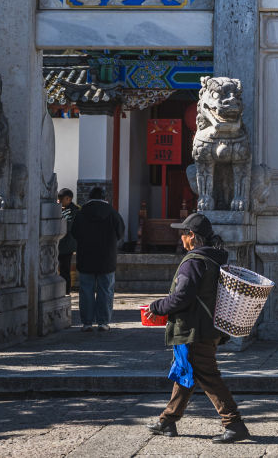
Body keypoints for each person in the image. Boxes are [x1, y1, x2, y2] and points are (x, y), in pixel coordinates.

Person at [145, 213, 249, 444]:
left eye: (183, 233)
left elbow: (181, 297)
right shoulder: (214, 259)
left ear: (191, 235)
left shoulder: (193, 262)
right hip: (207, 327)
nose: (180, 238)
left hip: (194, 329)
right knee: (186, 371)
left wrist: (157, 306)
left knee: (207, 375)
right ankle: (168, 420)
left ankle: (234, 423)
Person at [71, 186, 125, 332]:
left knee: (86, 290)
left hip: (85, 257)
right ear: (104, 198)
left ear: (89, 197)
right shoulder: (112, 213)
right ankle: (103, 322)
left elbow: (74, 232)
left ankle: (87, 323)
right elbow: (120, 232)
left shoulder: (82, 213)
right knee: (105, 290)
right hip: (106, 258)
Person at [57, 188, 79, 296]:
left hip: (66, 246)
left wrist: (59, 211)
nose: (60, 202)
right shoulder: (64, 208)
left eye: (62, 200)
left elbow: (67, 224)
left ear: (68, 199)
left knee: (64, 269)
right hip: (60, 244)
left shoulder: (73, 210)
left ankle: (66, 291)